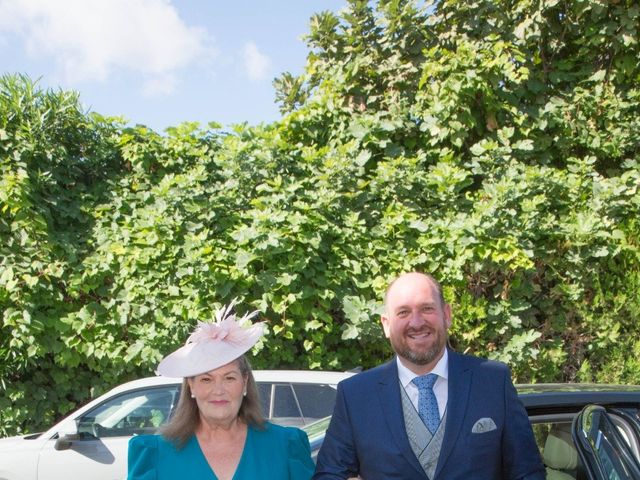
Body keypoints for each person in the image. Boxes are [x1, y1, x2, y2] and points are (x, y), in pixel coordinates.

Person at [314, 272, 546, 480]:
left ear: (446, 315)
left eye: (426, 308)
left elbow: (528, 472)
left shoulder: (493, 381)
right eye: (403, 312)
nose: (416, 322)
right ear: (386, 324)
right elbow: (329, 474)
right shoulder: (356, 395)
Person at [128, 302, 315, 480]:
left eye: (229, 378)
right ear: (191, 386)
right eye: (206, 379)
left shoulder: (286, 446)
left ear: (244, 382)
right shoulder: (154, 453)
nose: (218, 390)